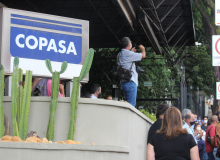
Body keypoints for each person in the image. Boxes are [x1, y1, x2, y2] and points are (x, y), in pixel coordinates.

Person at [117, 37, 146, 107]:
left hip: (123, 82)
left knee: (127, 104)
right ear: (129, 44)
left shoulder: (119, 54)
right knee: (131, 105)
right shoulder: (129, 54)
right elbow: (143, 55)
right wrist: (143, 49)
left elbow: (126, 60)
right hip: (131, 82)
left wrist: (131, 52)